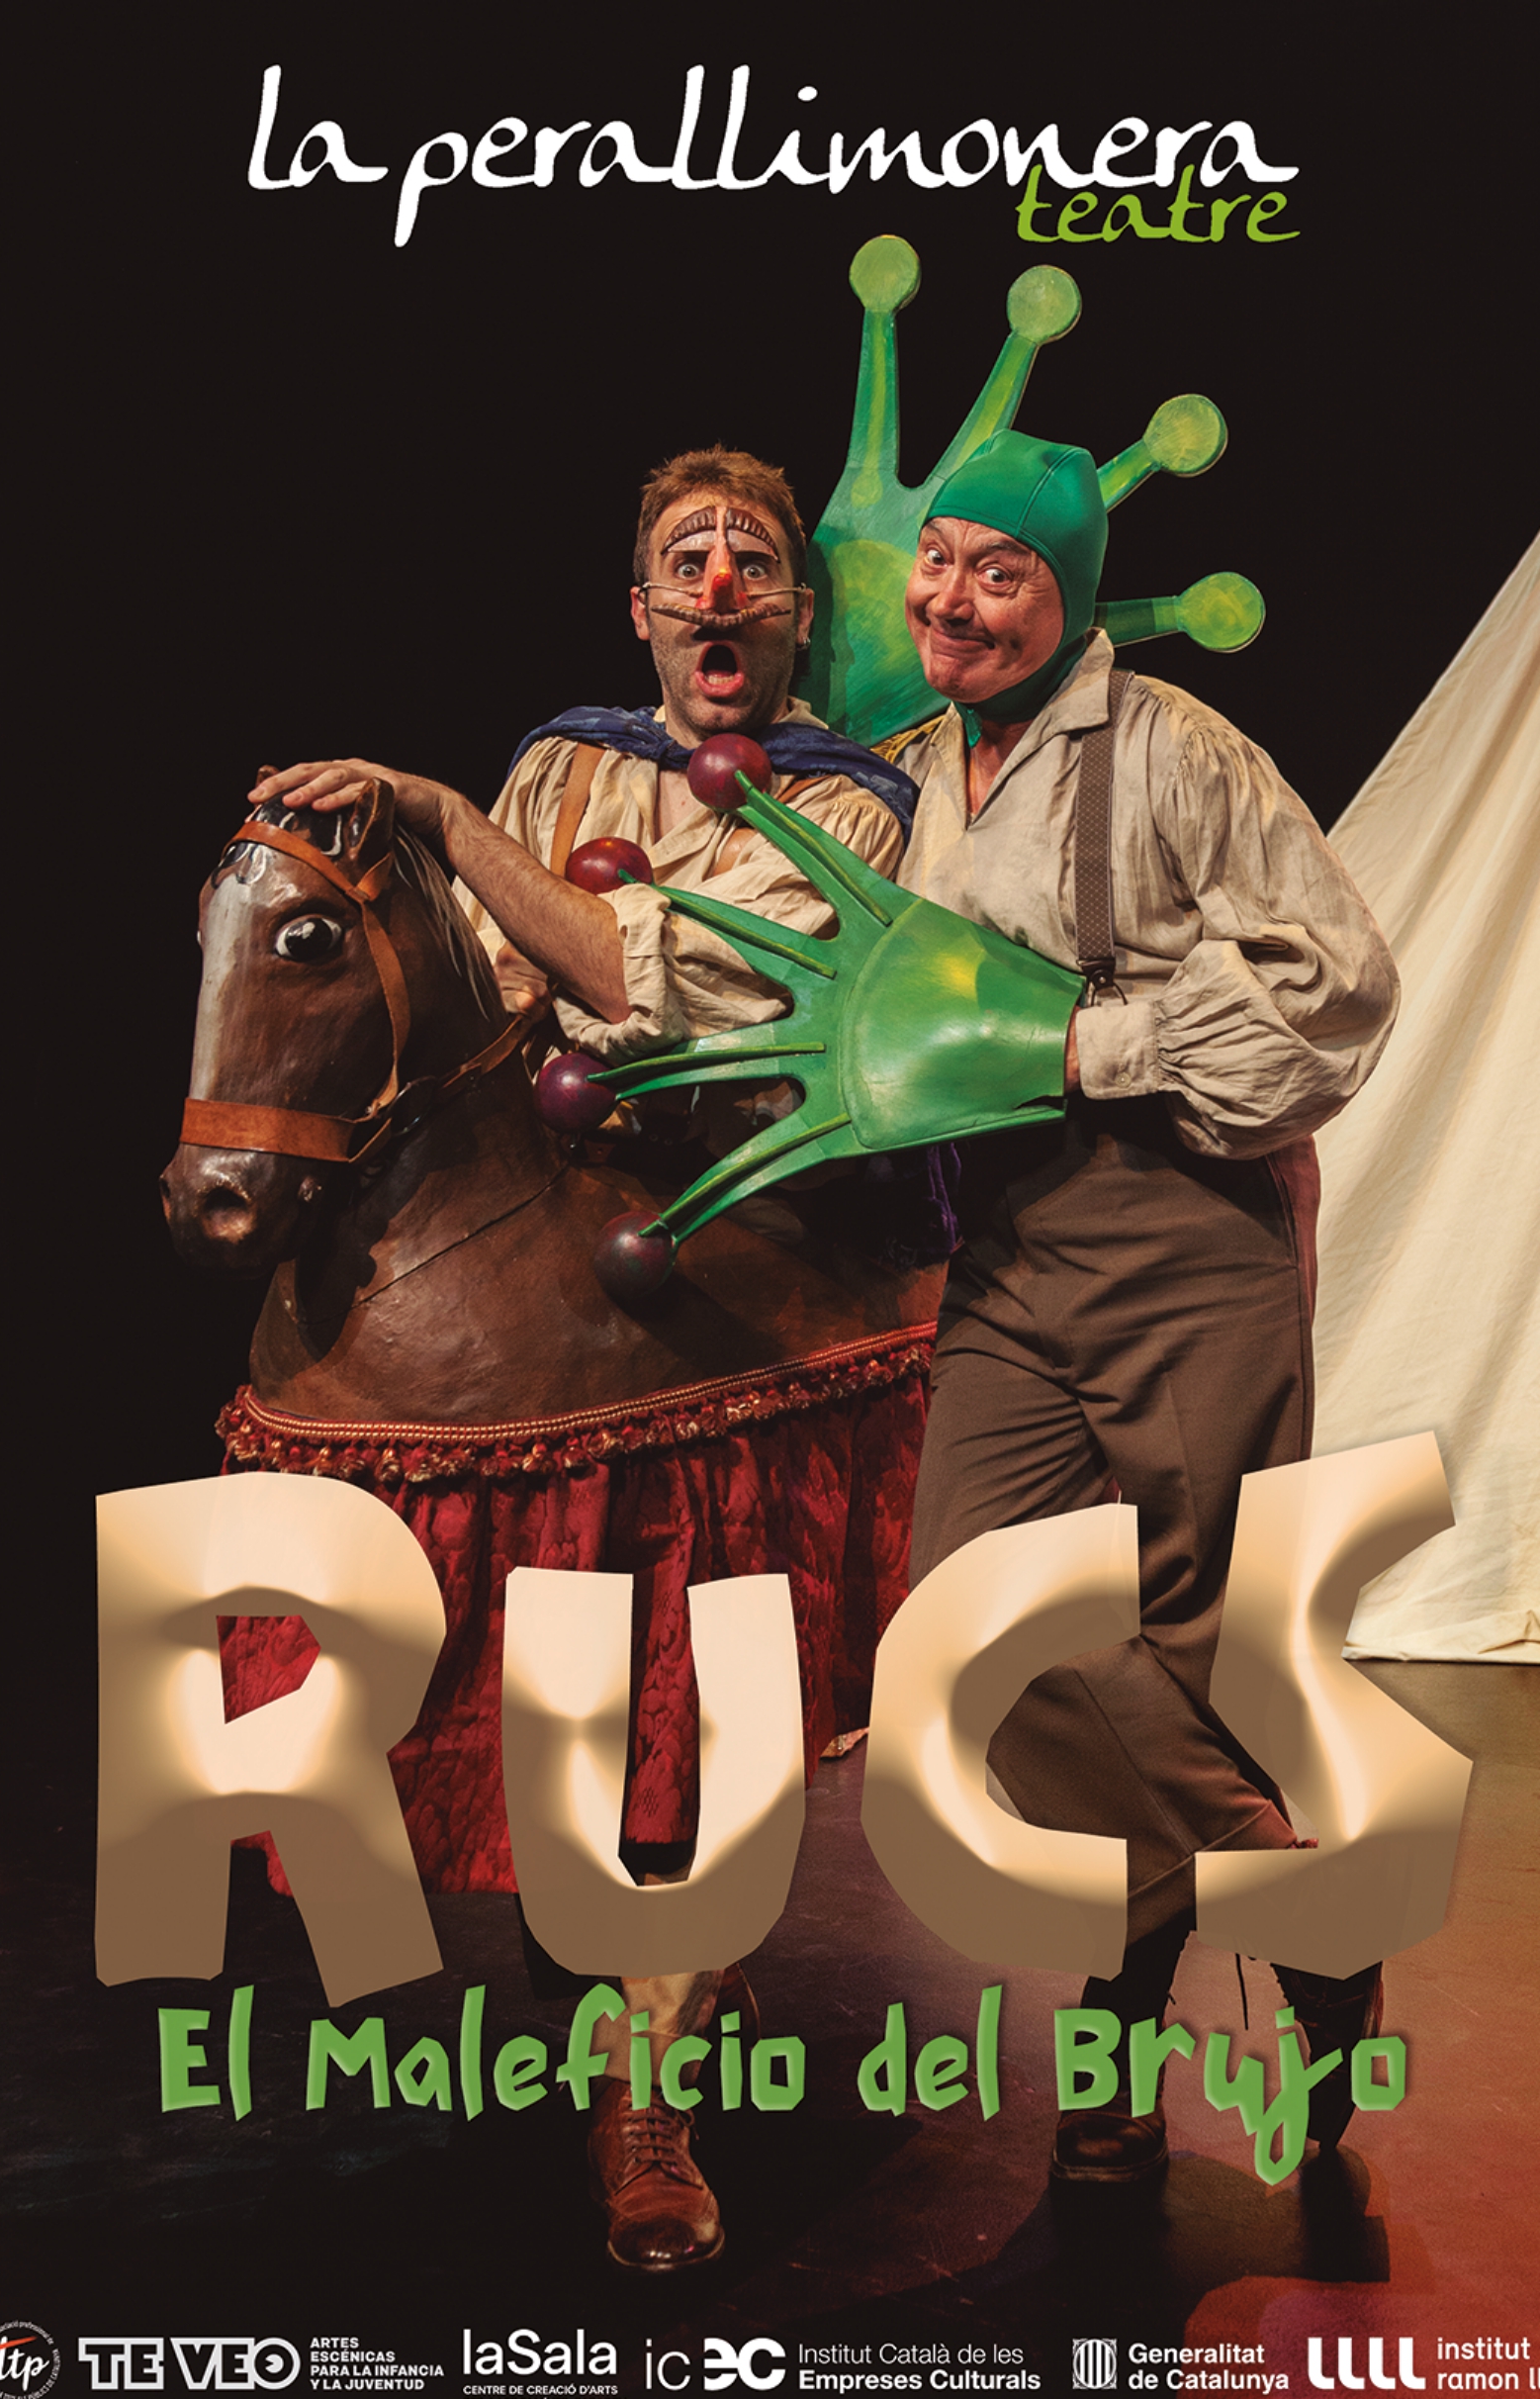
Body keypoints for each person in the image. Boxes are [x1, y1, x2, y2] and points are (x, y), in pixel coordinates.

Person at [248, 444, 920, 2269]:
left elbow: (663, 985)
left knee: (703, 1697)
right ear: (641, 610)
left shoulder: (851, 808)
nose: (720, 585)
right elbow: (493, 988)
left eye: (753, 559)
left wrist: (448, 823)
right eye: (686, 559)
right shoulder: (566, 762)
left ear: (797, 613)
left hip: (743, 1289)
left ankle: (647, 2098)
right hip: (547, 1281)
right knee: (571, 1686)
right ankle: (622, 1964)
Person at [879, 431, 1400, 2179]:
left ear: (1072, 591)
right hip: (1006, 1237)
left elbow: (1338, 975)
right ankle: (1304, 1904)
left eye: (1001, 571)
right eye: (940, 559)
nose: (955, 599)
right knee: (971, 1609)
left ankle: (1112, 2047)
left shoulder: (1177, 748)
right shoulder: (910, 772)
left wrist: (1102, 1045)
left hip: (1180, 1217)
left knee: (1186, 1645)